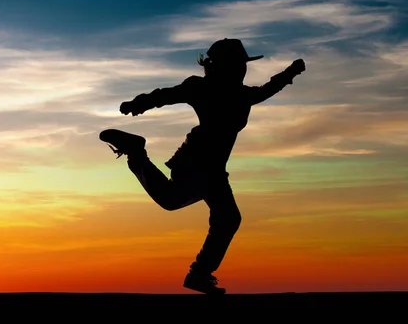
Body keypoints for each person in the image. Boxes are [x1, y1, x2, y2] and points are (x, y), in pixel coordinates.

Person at [99, 38, 306, 295]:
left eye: (243, 64)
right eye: (238, 64)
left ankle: (199, 274)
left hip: (212, 167)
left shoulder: (241, 95)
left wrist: (291, 72)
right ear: (223, 66)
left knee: (225, 218)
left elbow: (270, 87)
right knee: (199, 209)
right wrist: (138, 103)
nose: (243, 69)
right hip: (198, 161)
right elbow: (167, 94)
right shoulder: (205, 88)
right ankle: (136, 153)